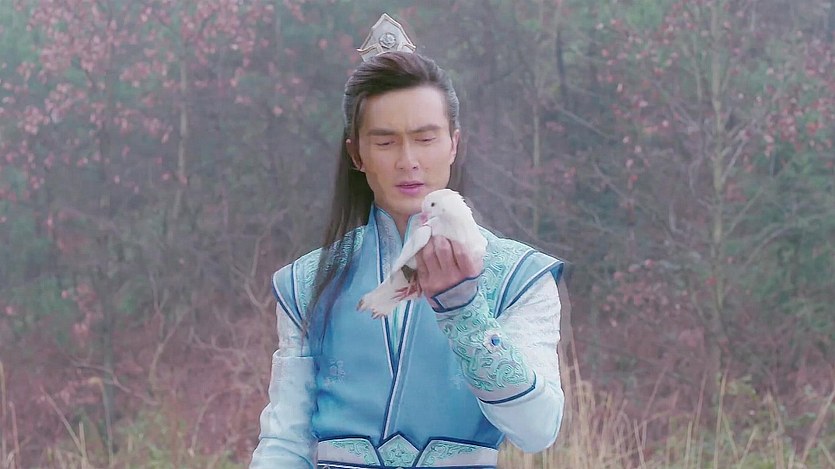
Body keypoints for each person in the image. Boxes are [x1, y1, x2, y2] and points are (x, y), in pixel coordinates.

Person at [250, 14, 566, 469]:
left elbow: (538, 430)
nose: (408, 161)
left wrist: (464, 311)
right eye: (385, 143)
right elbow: (285, 442)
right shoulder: (307, 282)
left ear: (453, 144)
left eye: (425, 138)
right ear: (356, 153)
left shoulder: (519, 277)